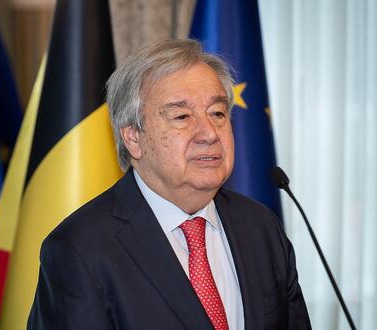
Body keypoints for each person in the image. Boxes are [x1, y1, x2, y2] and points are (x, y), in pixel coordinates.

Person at [27, 39, 311, 329]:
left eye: (217, 113)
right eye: (181, 116)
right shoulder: (79, 250)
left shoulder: (261, 226)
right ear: (133, 137)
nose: (209, 134)